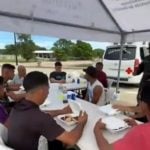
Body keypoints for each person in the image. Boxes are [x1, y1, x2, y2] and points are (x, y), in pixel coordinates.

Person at [6, 71, 88, 150]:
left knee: (57, 141)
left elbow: (41, 116)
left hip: (17, 145)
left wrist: (62, 111)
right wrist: (81, 123)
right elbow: (72, 139)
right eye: (48, 90)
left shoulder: (18, 107)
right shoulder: (39, 118)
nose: (48, 93)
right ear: (42, 91)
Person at [94, 82, 150, 150]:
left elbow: (106, 148)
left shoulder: (139, 132)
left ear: (145, 104)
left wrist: (97, 130)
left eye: (140, 99)